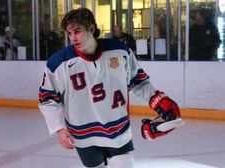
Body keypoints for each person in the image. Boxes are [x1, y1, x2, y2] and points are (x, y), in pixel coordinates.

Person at [38, 8, 181, 168]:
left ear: (91, 29)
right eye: (69, 33)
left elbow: (137, 82)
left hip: (117, 130)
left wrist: (156, 99)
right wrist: (58, 128)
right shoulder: (58, 63)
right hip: (84, 135)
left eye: (77, 32)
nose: (73, 38)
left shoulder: (119, 51)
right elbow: (47, 99)